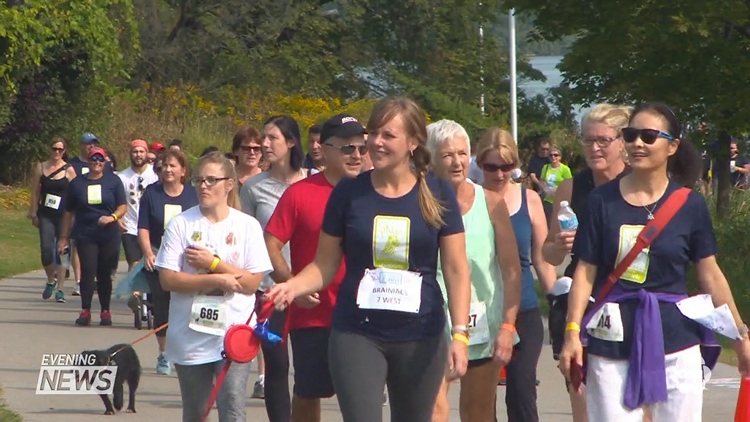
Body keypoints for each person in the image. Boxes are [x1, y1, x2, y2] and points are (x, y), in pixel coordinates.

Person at [266, 97, 471, 422]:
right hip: (356, 333)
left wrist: (460, 334)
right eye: (373, 133)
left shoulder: (438, 192)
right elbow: (324, 264)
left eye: (388, 135)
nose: (375, 142)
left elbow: (457, 269)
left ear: (412, 142)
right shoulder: (348, 193)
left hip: (422, 334)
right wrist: (291, 285)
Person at [559, 103, 750, 421]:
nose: (637, 144)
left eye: (648, 137)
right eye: (631, 135)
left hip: (677, 342)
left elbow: (710, 275)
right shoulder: (601, 201)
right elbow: (585, 271)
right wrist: (572, 333)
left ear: (672, 146)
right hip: (612, 342)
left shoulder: (690, 205)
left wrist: (741, 335)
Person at [155, 151, 273, 422]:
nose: (204, 186)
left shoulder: (247, 226)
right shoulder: (180, 224)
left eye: (211, 180)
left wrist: (214, 263)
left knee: (232, 410)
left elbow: (252, 283)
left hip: (233, 334)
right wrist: (216, 280)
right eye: (199, 181)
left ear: (229, 184)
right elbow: (168, 280)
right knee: (197, 411)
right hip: (191, 335)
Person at [264, 113, 366, 422]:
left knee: (362, 397)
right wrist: (293, 283)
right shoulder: (300, 193)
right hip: (314, 315)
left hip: (364, 315)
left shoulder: (373, 193)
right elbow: (270, 243)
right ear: (325, 148)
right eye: (348, 148)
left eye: (362, 147)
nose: (357, 155)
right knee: (309, 392)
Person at [426, 120, 523, 422]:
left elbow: (511, 270)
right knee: (433, 409)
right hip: (430, 325)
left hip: (482, 324)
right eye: (447, 155)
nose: (457, 162)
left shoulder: (491, 203)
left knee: (478, 413)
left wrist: (507, 328)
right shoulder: (419, 201)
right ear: (429, 158)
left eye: (462, 153)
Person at [543, 103, 633, 422]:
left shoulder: (637, 184)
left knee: (635, 401)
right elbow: (549, 254)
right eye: (587, 140)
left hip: (628, 299)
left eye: (603, 140)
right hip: (582, 301)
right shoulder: (572, 187)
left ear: (623, 141)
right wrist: (558, 243)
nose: (594, 148)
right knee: (582, 396)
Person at [477, 127, 557, 421]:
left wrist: (557, 300)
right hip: (482, 311)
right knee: (481, 398)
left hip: (523, 309)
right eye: (491, 167)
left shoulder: (529, 200)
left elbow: (542, 260)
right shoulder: (469, 200)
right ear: (479, 163)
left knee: (522, 391)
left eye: (507, 167)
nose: (499, 175)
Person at [240, 115, 308, 421]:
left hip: (310, 288)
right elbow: (248, 242)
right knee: (277, 367)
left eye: (272, 138)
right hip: (271, 290)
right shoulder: (253, 188)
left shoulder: (314, 182)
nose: (264, 145)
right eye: (263, 139)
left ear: (291, 142)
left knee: (310, 370)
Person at [138, 150, 198, 375]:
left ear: (183, 171)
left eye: (173, 166)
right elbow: (142, 227)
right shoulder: (151, 194)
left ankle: (186, 352)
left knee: (186, 305)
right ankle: (163, 353)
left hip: (187, 259)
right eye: (165, 166)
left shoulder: (192, 195)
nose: (168, 170)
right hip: (158, 256)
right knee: (162, 308)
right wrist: (148, 253)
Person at [58, 147, 127, 326]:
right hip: (85, 233)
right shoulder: (77, 184)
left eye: (100, 159)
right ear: (88, 161)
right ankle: (85, 310)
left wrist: (113, 218)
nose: (97, 162)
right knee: (88, 271)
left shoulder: (114, 181)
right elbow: (68, 211)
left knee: (105, 273)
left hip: (108, 234)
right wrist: (64, 236)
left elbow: (122, 206)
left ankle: (105, 311)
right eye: (94, 158)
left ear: (105, 162)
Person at [29, 138, 77, 303]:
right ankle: (51, 279)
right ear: (50, 149)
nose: (57, 152)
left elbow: (76, 192)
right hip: (46, 214)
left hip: (64, 215)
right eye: (54, 149)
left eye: (60, 150)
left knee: (62, 251)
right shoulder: (41, 167)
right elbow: (35, 192)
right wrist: (33, 213)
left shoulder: (69, 170)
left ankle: (61, 290)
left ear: (64, 151)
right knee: (46, 250)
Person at [539, 145, 573, 225]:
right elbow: (542, 180)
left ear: (560, 157)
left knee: (560, 222)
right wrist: (544, 188)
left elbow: (569, 183)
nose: (553, 157)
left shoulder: (565, 169)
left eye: (555, 155)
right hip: (548, 200)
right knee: (549, 222)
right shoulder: (546, 167)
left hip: (561, 200)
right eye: (551, 155)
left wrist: (558, 190)